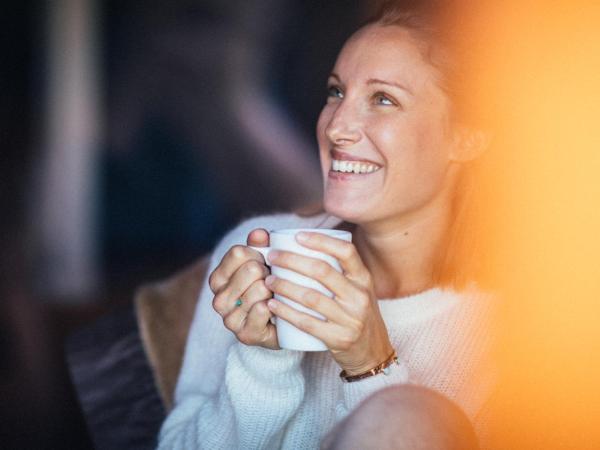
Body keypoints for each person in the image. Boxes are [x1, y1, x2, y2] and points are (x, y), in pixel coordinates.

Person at [158, 1, 496, 448]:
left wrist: (372, 368)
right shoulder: (254, 253)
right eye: (336, 92)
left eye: (383, 99)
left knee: (411, 415)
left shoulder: (522, 328)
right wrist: (261, 360)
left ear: (466, 137)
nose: (336, 127)